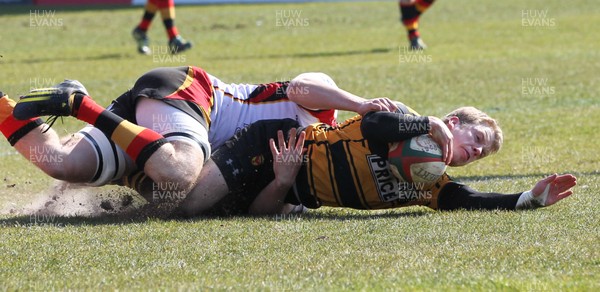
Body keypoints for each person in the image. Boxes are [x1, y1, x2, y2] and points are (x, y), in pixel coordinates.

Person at [0, 66, 397, 211]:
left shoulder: (319, 167)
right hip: (192, 93)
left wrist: (283, 181)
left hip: (164, 129)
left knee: (62, 164)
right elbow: (299, 87)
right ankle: (80, 105)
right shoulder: (327, 106)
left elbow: (263, 210)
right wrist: (360, 103)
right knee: (179, 174)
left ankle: (22, 105)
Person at [176, 104, 576, 217]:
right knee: (187, 203)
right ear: (453, 122)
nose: (476, 152)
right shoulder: (402, 128)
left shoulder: (430, 182)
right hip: (274, 145)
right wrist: (425, 123)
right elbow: (374, 125)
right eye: (477, 139)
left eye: (482, 153)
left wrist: (528, 198)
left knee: (209, 213)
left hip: (285, 185)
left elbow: (467, 199)